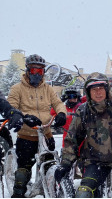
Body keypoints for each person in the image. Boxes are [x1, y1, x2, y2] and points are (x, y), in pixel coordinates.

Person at [54, 72, 112, 198]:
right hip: (95, 161)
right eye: (94, 89)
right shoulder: (83, 111)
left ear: (107, 90)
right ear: (88, 92)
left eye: (101, 89)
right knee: (83, 193)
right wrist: (66, 163)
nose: (98, 92)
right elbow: (72, 138)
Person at [7, 54, 67, 198]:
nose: (37, 74)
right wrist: (24, 117)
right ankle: (18, 193)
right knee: (24, 170)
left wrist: (61, 113)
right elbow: (12, 107)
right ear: (27, 70)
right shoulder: (17, 88)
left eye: (40, 71)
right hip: (27, 135)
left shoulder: (48, 89)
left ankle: (47, 190)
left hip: (46, 134)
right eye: (34, 70)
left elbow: (58, 103)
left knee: (50, 165)